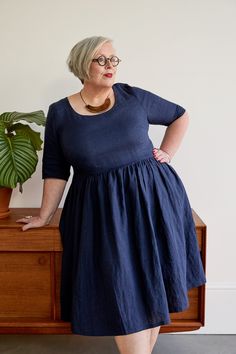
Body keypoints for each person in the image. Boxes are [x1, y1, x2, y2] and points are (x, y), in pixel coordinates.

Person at [16, 36, 206, 354]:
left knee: (151, 285)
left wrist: (167, 153)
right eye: (101, 59)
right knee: (123, 290)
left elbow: (180, 115)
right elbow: (56, 169)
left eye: (114, 59)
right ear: (82, 64)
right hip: (102, 214)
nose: (110, 66)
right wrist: (44, 215)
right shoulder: (60, 113)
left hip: (154, 202)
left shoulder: (132, 96)